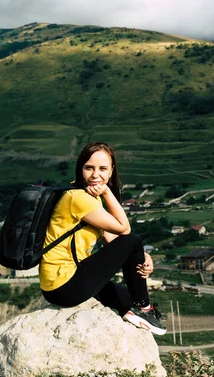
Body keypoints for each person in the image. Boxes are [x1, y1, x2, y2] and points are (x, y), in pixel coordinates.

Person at [39, 142, 166, 335]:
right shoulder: (78, 198)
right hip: (64, 284)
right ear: (80, 168)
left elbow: (112, 238)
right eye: (89, 168)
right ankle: (143, 307)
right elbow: (124, 230)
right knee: (133, 239)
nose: (95, 175)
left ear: (111, 170)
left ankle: (139, 310)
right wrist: (106, 192)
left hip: (63, 281)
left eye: (102, 169)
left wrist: (142, 257)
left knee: (125, 298)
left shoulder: (85, 195)